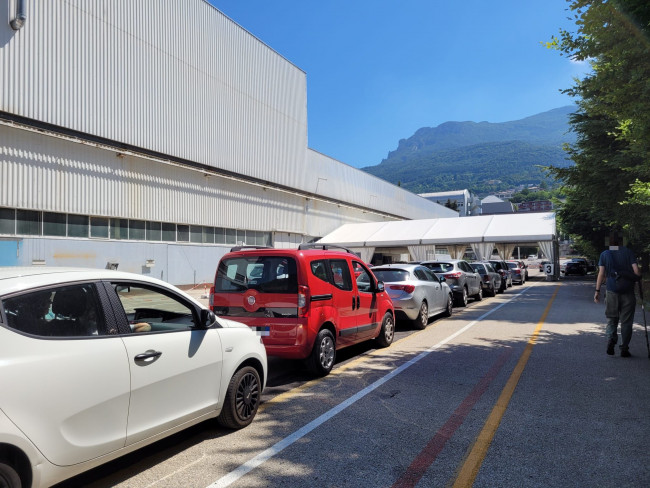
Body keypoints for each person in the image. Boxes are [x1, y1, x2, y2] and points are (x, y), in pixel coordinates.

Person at [594, 233, 641, 357]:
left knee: (611, 319)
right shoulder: (628, 252)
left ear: (609, 242)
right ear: (621, 241)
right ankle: (624, 348)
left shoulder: (605, 254)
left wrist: (597, 291)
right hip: (628, 291)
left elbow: (601, 274)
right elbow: (636, 272)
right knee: (627, 322)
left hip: (611, 291)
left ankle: (611, 339)